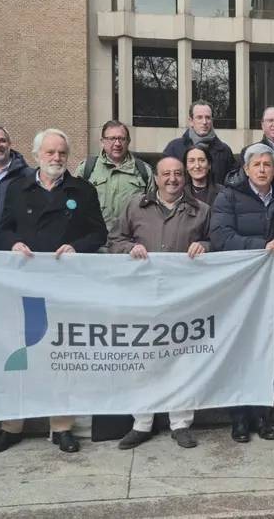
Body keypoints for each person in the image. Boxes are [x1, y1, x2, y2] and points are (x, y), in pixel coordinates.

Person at [0, 128, 108, 454]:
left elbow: (98, 233)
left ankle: (62, 427)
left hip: (65, 289)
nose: (57, 158)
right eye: (50, 152)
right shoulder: (18, 189)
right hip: (25, 287)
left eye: (62, 153)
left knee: (61, 358)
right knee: (20, 356)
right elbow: (2, 231)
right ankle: (11, 426)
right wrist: (13, 243)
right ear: (37, 155)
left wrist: (77, 247)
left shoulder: (82, 190)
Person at [107, 156, 211, 450]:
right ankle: (142, 423)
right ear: (156, 177)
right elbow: (114, 240)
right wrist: (129, 248)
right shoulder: (136, 206)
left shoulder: (201, 210)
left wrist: (205, 246)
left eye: (177, 173)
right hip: (143, 296)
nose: (172, 179)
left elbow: (215, 242)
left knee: (183, 361)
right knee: (143, 360)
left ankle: (180, 423)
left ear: (184, 177)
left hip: (184, 298)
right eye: (166, 174)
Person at [209, 143, 274, 444]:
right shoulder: (228, 196)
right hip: (239, 288)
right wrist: (262, 246)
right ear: (245, 169)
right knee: (239, 351)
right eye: (256, 164)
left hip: (270, 287)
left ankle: (261, 415)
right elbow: (220, 237)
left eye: (267, 165)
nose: (262, 169)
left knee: (265, 352)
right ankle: (239, 418)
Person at [74, 120, 153, 231]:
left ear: (128, 141)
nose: (117, 143)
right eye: (112, 139)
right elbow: (73, 203)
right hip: (95, 238)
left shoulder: (144, 170)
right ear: (102, 142)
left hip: (131, 239)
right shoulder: (86, 168)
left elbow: (153, 210)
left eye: (122, 139)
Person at [163, 100, 239, 186]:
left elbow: (233, 183)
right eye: (199, 117)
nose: (204, 122)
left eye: (208, 118)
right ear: (191, 121)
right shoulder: (174, 148)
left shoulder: (224, 150)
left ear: (212, 120)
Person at [184, 143, 222, 207]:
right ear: (186, 167)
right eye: (192, 161)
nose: (197, 166)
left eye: (202, 160)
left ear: (209, 165)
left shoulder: (222, 192)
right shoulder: (178, 192)